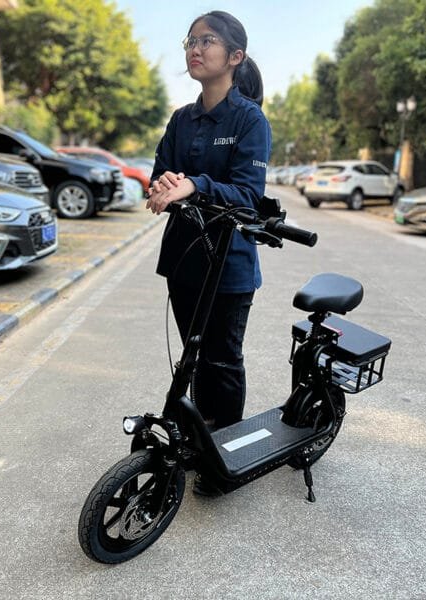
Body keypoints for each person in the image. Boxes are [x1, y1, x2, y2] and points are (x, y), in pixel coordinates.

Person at [146, 11, 271, 493]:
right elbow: (158, 176)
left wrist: (193, 184)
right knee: (192, 359)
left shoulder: (248, 119)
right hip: (185, 260)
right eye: (191, 41)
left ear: (234, 57)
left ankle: (225, 457)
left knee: (222, 361)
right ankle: (202, 437)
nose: (195, 49)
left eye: (208, 41)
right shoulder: (182, 119)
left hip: (229, 262)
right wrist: (164, 185)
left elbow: (248, 194)